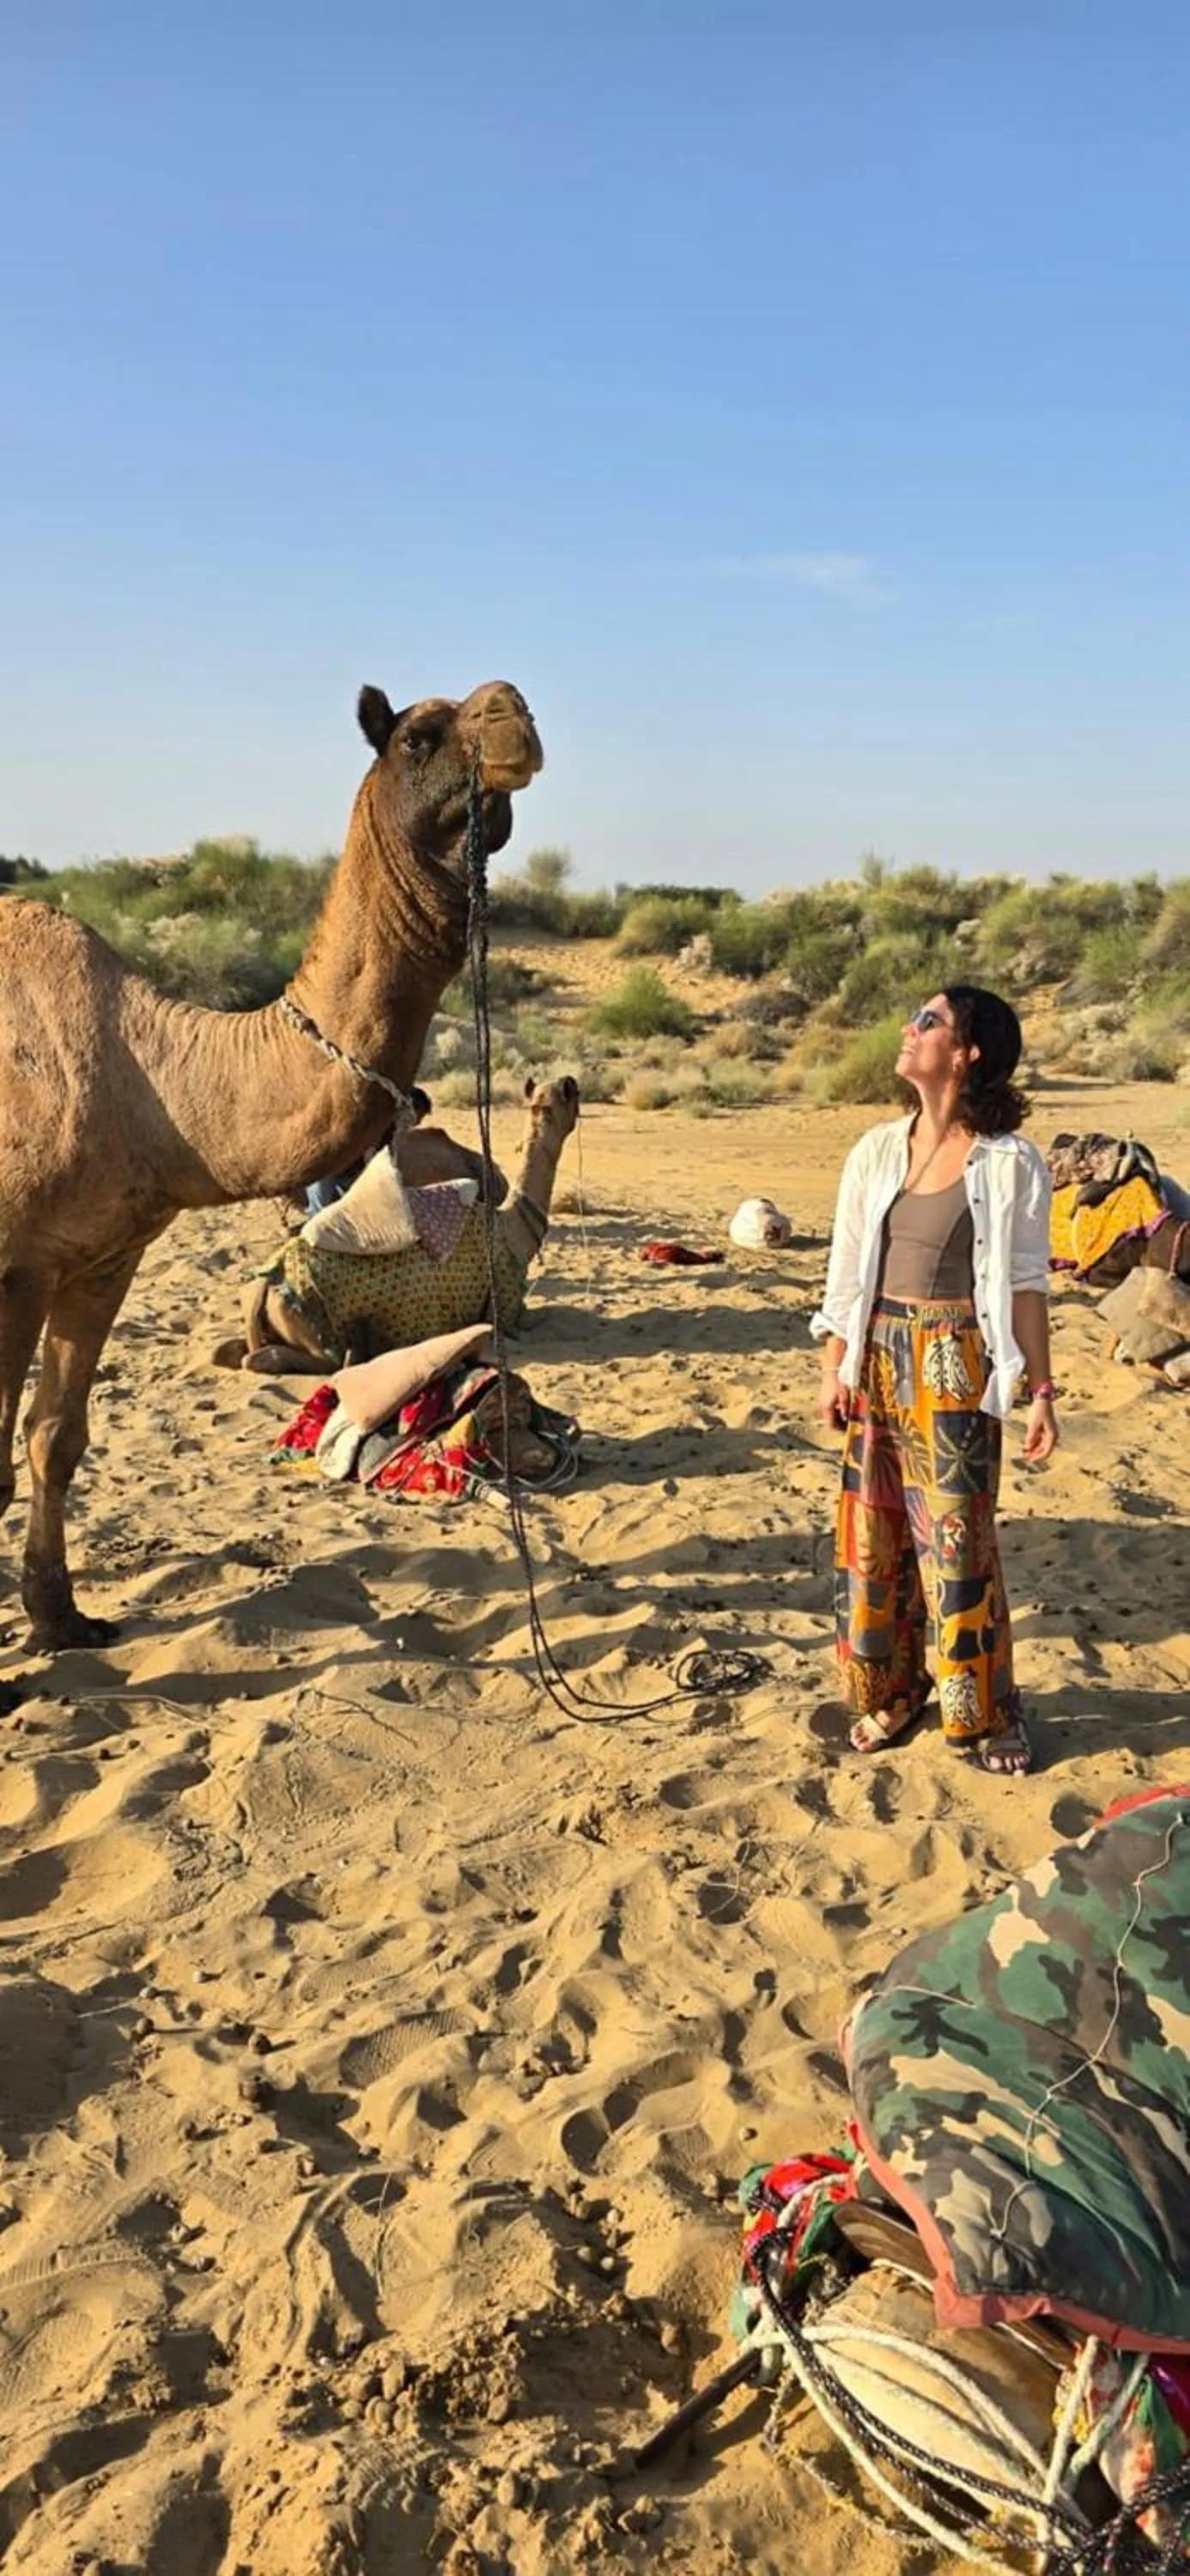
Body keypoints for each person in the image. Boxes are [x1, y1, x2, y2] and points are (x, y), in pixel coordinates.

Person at [811, 986, 1057, 1776]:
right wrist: (835, 1368)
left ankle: (987, 1716)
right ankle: (894, 1690)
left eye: (929, 1021)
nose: (909, 1029)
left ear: (967, 1051)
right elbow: (846, 1274)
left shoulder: (1012, 1162)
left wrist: (1042, 1393)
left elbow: (1024, 1286)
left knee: (957, 1544)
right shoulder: (876, 1149)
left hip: (955, 1362)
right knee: (873, 1540)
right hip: (877, 1352)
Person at [302, 1086, 432, 1217]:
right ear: (411, 1108)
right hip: (328, 1166)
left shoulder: (392, 1131)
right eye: (419, 1116)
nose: (418, 1122)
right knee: (319, 1211)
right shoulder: (377, 1120)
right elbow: (371, 1156)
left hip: (349, 1171)